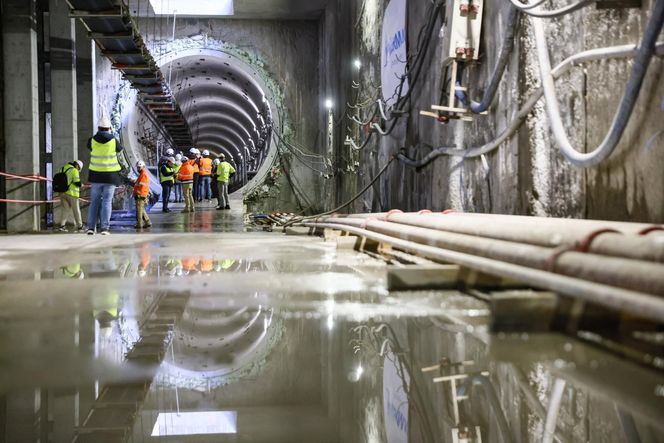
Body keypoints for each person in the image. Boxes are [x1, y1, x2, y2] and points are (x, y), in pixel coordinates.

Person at [86, 116, 123, 235]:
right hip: (110, 176)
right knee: (107, 202)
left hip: (96, 175)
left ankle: (91, 228)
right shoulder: (113, 140)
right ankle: (104, 228)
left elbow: (89, 147)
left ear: (98, 128)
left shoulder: (92, 140)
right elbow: (119, 149)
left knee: (94, 202)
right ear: (109, 128)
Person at [57, 160, 84, 232]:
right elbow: (76, 182)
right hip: (72, 194)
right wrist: (81, 185)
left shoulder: (62, 169)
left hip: (62, 193)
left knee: (65, 210)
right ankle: (80, 226)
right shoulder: (74, 170)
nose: (78, 170)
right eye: (79, 169)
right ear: (77, 166)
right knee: (76, 210)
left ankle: (62, 226)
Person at [133, 160, 152, 229]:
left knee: (139, 211)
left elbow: (143, 186)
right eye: (137, 167)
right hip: (141, 194)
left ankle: (139, 223)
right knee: (141, 209)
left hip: (140, 195)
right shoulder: (142, 174)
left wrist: (138, 194)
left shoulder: (143, 175)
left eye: (139, 167)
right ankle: (147, 222)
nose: (138, 169)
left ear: (143, 167)